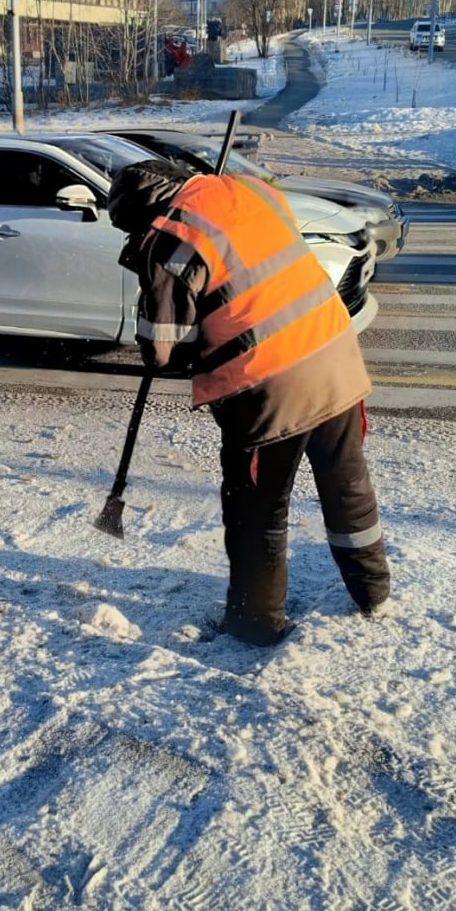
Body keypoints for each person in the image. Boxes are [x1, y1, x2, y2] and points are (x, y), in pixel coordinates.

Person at [107, 158, 390, 646]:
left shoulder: (169, 242)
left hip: (268, 391)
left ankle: (255, 621)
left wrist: (149, 276)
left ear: (140, 214)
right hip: (335, 355)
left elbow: (161, 348)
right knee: (347, 484)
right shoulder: (247, 190)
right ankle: (373, 592)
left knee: (257, 510)